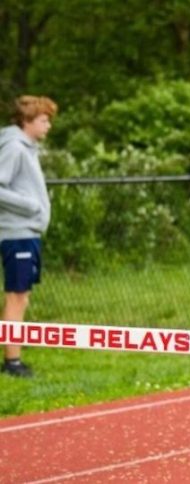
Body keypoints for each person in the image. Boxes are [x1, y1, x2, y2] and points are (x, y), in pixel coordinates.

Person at [0, 95, 57, 377]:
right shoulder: (14, 147)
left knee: (23, 297)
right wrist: (31, 205)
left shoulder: (28, 148)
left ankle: (13, 358)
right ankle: (12, 362)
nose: (48, 125)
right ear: (27, 121)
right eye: (43, 120)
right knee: (16, 297)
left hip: (28, 232)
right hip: (17, 233)